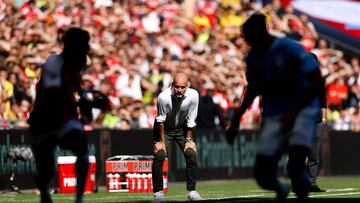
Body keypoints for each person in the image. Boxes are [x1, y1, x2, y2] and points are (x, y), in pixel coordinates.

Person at [226, 13, 324, 203]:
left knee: (295, 166)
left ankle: (302, 197)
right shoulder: (253, 58)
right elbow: (253, 88)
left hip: (302, 111)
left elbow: (316, 81)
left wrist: (296, 111)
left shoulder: (290, 49)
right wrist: (237, 118)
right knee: (262, 174)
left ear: (261, 32)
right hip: (275, 113)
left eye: (249, 36)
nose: (247, 41)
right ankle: (282, 189)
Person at [28, 27, 91, 203]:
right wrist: (83, 103)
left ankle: (79, 199)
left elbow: (74, 89)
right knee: (46, 169)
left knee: (81, 147)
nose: (87, 48)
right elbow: (53, 95)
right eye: (84, 44)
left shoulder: (77, 63)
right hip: (44, 119)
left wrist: (85, 104)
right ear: (72, 45)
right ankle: (45, 192)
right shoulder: (54, 62)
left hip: (64, 119)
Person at [152, 72, 202, 201]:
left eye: (182, 87)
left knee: (191, 153)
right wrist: (161, 142)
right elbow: (160, 121)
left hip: (182, 128)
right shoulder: (163, 97)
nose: (179, 90)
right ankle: (158, 193)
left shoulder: (194, 95)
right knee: (160, 155)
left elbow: (191, 120)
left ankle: (192, 191)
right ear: (172, 84)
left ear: (188, 85)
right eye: (177, 86)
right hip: (164, 129)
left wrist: (189, 140)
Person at [307, 53, 327, 192]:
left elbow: (323, 101)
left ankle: (311, 183)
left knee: (314, 154)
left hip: (316, 121)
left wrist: (324, 118)